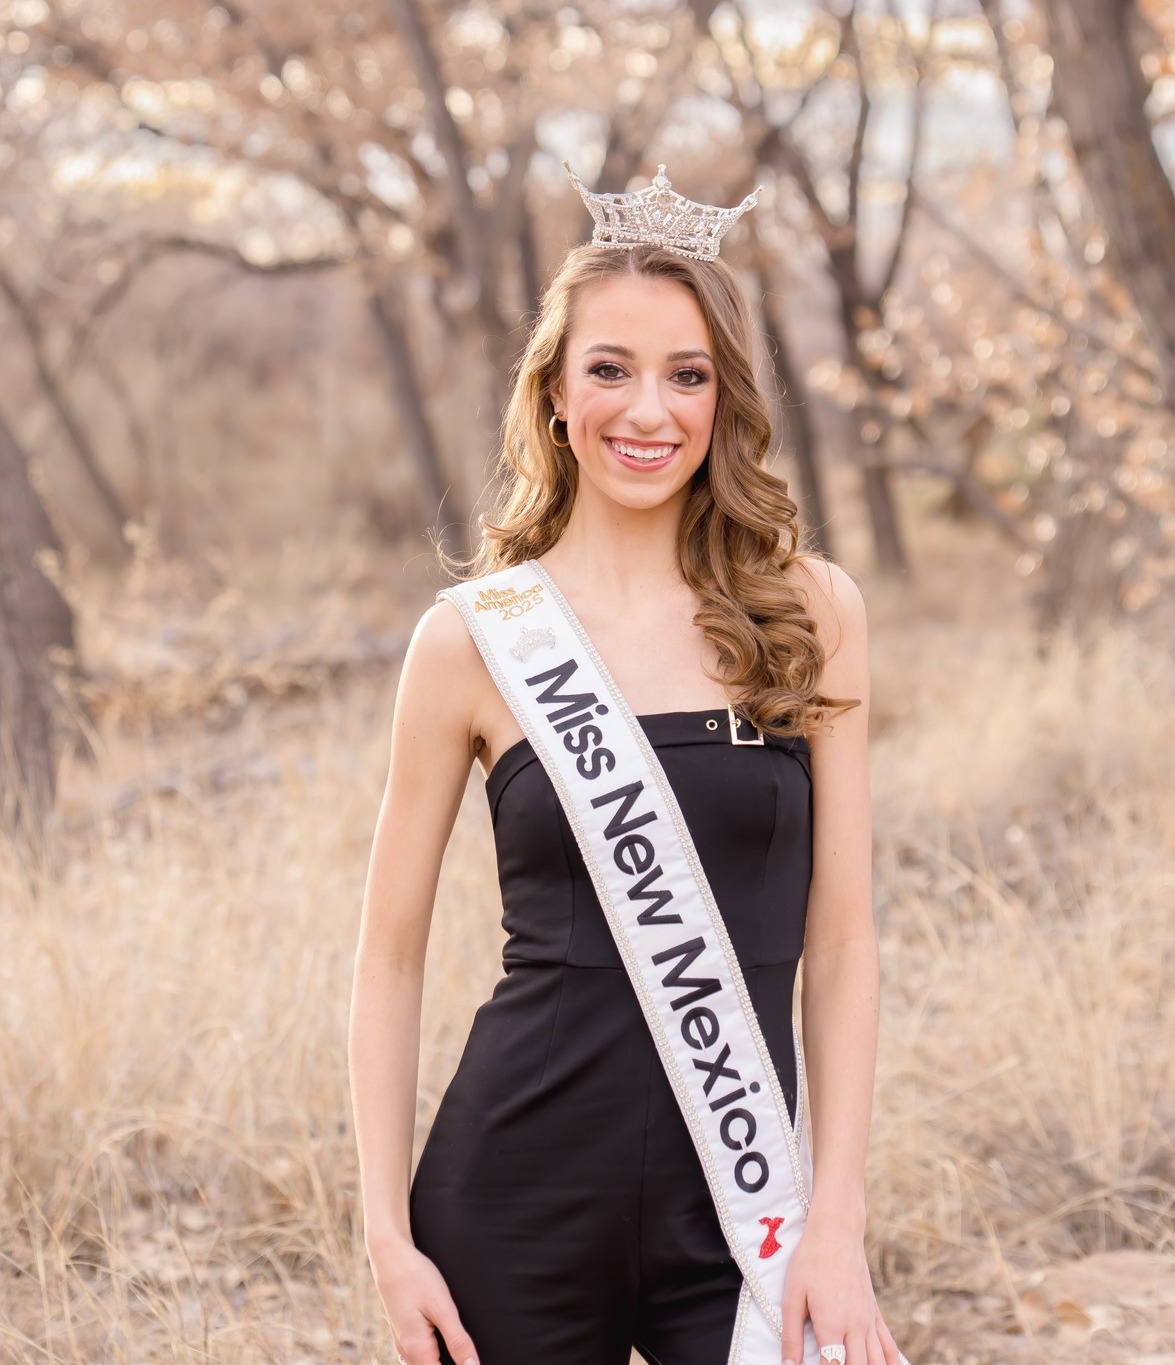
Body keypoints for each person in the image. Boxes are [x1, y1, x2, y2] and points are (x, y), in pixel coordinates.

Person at [348, 166, 904, 1365]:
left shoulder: (811, 614)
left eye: (686, 374)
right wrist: (389, 1240)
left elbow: (846, 940)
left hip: (747, 1209)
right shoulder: (476, 641)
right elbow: (388, 958)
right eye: (610, 369)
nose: (647, 411)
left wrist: (837, 1222)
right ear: (555, 393)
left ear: (724, 398)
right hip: (512, 1206)